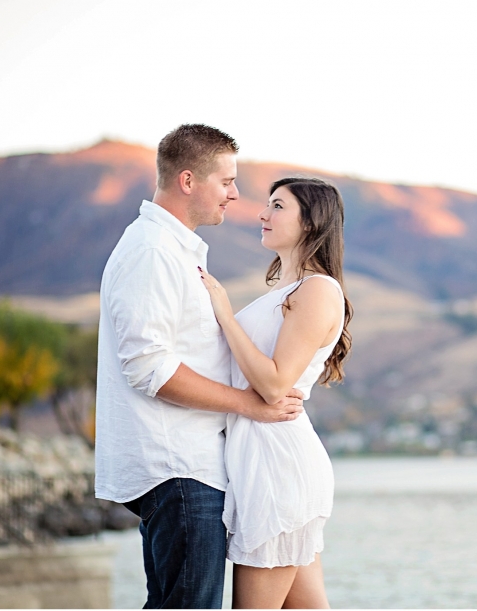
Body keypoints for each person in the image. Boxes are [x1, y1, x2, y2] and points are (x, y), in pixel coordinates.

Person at [95, 124, 306, 609]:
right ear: (188, 181)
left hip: (187, 465)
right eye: (226, 181)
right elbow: (149, 367)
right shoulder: (152, 252)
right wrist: (250, 406)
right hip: (178, 467)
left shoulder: (174, 250)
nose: (235, 195)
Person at [199, 176, 353, 609]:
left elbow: (272, 384)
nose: (263, 215)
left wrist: (226, 317)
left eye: (278, 206)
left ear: (311, 222)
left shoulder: (318, 290)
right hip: (261, 458)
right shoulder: (285, 292)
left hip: (277, 464)